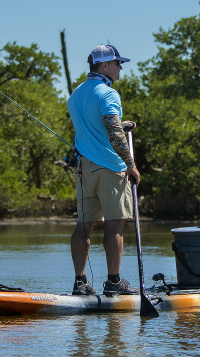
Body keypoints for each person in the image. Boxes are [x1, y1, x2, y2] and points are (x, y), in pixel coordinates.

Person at [66, 44, 141, 296]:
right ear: (104, 66)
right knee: (114, 226)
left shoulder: (76, 94)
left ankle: (80, 283)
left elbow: (96, 125)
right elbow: (113, 132)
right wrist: (131, 165)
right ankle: (113, 282)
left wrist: (122, 123)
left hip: (83, 169)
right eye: (117, 63)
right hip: (111, 168)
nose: (120, 68)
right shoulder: (109, 94)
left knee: (83, 226)